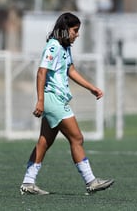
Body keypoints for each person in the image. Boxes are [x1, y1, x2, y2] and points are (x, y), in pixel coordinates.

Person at [20, 12, 114, 195]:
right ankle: (91, 181)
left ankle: (28, 182)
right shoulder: (53, 46)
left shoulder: (65, 47)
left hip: (56, 99)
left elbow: (71, 70)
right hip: (52, 99)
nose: (77, 34)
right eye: (75, 30)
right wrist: (40, 100)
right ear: (65, 29)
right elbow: (41, 73)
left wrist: (91, 87)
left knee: (44, 141)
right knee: (77, 138)